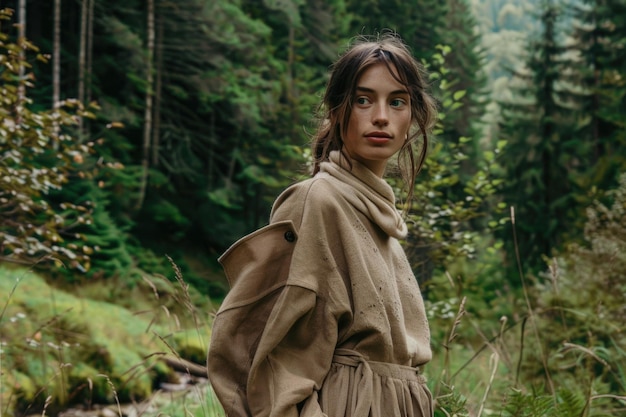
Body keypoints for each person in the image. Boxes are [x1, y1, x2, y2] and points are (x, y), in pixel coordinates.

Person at [207, 33, 438, 417]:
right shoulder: (316, 201)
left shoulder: (383, 222)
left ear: (412, 116)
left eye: (397, 101)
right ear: (336, 110)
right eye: (363, 100)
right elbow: (253, 345)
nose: (381, 116)